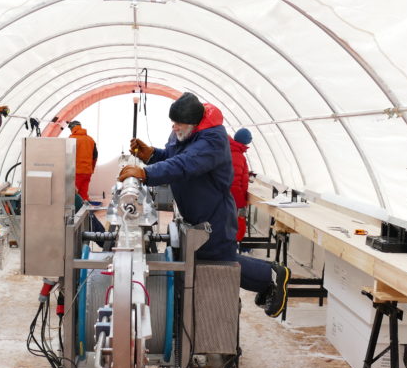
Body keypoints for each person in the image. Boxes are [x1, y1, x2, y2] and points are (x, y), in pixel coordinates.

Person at [118, 92, 290, 318]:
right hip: (194, 213)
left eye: (179, 123)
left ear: (194, 123)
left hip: (214, 214)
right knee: (208, 262)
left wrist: (146, 173)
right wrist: (151, 155)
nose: (174, 127)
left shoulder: (213, 141)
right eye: (173, 122)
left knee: (221, 263)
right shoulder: (184, 133)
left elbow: (185, 164)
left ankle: (271, 276)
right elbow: (173, 155)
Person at [230, 127, 252, 242]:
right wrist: (241, 205)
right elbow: (234, 183)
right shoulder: (237, 155)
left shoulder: (231, 150)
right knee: (236, 232)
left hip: (229, 200)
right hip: (234, 201)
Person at [68, 120, 98, 201]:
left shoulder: (71, 139)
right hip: (87, 172)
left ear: (72, 128)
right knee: (84, 195)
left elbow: (67, 156)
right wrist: (91, 169)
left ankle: (75, 213)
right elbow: (95, 156)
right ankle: (85, 212)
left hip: (76, 172)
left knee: (72, 195)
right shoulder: (90, 139)